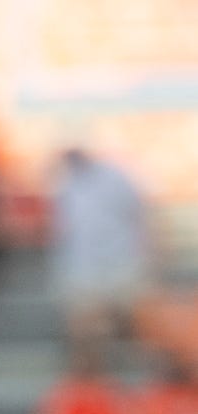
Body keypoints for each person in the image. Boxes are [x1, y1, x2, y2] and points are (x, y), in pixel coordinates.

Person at [50, 145, 150, 373]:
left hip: (120, 257)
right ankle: (90, 374)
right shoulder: (66, 183)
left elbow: (139, 213)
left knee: (129, 318)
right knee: (84, 323)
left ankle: (134, 368)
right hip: (83, 264)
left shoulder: (115, 176)